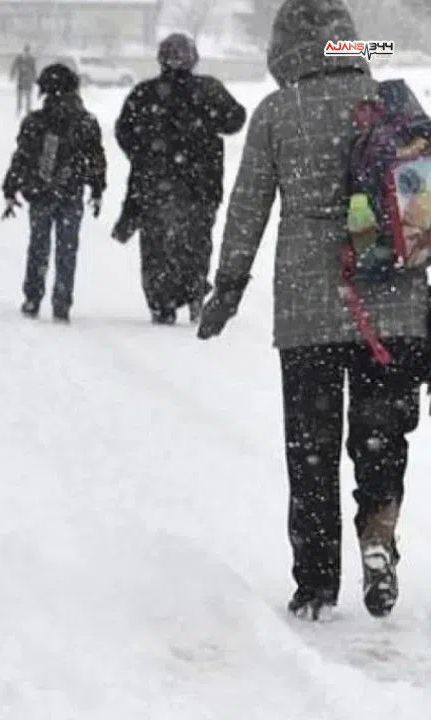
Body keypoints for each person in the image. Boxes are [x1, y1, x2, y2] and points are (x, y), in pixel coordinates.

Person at [197, 0, 426, 621]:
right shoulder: (391, 102)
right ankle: (378, 536)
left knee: (313, 449)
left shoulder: (277, 112)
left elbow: (248, 208)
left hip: (309, 309)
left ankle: (317, 584)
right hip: (395, 305)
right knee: (381, 440)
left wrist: (229, 285)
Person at [114, 33, 246, 325]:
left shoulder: (144, 93)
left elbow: (124, 131)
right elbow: (235, 120)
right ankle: (194, 288)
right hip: (202, 184)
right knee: (196, 241)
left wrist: (144, 155)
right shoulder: (208, 90)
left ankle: (162, 302)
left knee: (156, 246)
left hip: (154, 184)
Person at [1, 63, 106, 323]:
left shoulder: (35, 121)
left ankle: (32, 297)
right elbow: (96, 158)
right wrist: (97, 187)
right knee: (67, 249)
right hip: (71, 192)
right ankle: (62, 301)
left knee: (38, 245)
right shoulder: (86, 122)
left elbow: (22, 158)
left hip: (40, 192)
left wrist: (11, 187)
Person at [9, 45, 37, 116]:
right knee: (20, 95)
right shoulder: (19, 58)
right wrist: (12, 74)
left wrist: (34, 78)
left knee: (28, 96)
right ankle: (19, 109)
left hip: (28, 80)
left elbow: (34, 69)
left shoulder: (32, 59)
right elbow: (14, 66)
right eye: (25, 50)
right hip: (21, 80)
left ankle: (28, 110)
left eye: (27, 51)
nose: (26, 52)